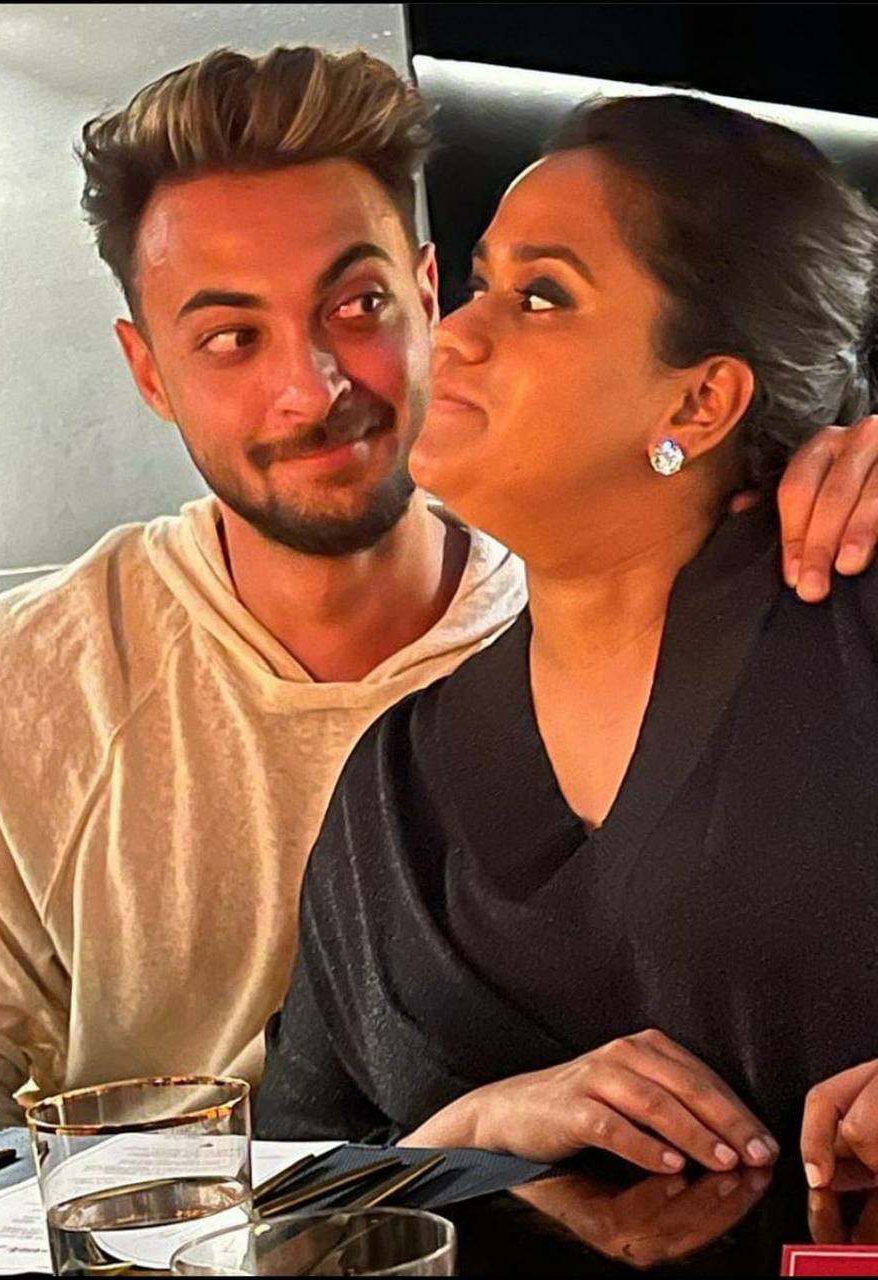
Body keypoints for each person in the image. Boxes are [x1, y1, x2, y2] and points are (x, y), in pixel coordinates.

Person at [0, 49, 878, 1128]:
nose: (312, 388)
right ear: (149, 370)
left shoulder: (806, 610)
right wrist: (455, 1145)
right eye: (230, 337)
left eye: (359, 305)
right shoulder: (52, 698)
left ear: (421, 293)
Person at [255, 92, 878, 1194]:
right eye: (478, 283)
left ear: (698, 403)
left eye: (540, 296)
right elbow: (289, 1191)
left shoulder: (853, 644)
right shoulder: (399, 783)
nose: (452, 332)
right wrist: (473, 1130)